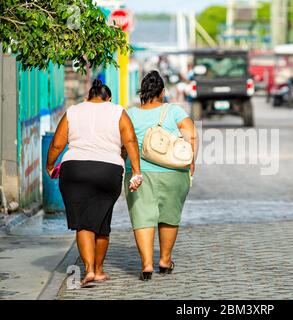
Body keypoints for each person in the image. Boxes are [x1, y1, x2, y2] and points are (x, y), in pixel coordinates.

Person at [46, 79, 143, 286]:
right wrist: (136, 170)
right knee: (101, 222)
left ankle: (88, 270)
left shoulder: (73, 111)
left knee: (83, 222)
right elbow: (131, 141)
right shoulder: (118, 112)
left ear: (87, 97)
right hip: (108, 171)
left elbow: (57, 144)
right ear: (108, 98)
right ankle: (98, 270)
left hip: (74, 171)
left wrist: (49, 165)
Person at [123, 71, 197, 281]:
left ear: (142, 93)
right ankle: (164, 260)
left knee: (142, 216)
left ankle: (146, 264)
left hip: (139, 173)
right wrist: (192, 162)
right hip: (173, 172)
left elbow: (124, 143)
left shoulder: (130, 114)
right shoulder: (174, 111)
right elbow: (191, 134)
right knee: (169, 216)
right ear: (163, 92)